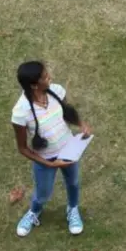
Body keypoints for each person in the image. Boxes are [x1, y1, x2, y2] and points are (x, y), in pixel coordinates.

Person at [11, 61, 92, 237]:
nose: (50, 77)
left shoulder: (56, 90)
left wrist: (80, 124)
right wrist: (51, 164)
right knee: (43, 194)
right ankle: (34, 212)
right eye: (45, 77)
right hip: (45, 160)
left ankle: (73, 210)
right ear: (34, 85)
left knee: (73, 183)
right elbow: (23, 148)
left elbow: (67, 112)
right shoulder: (20, 112)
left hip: (69, 150)